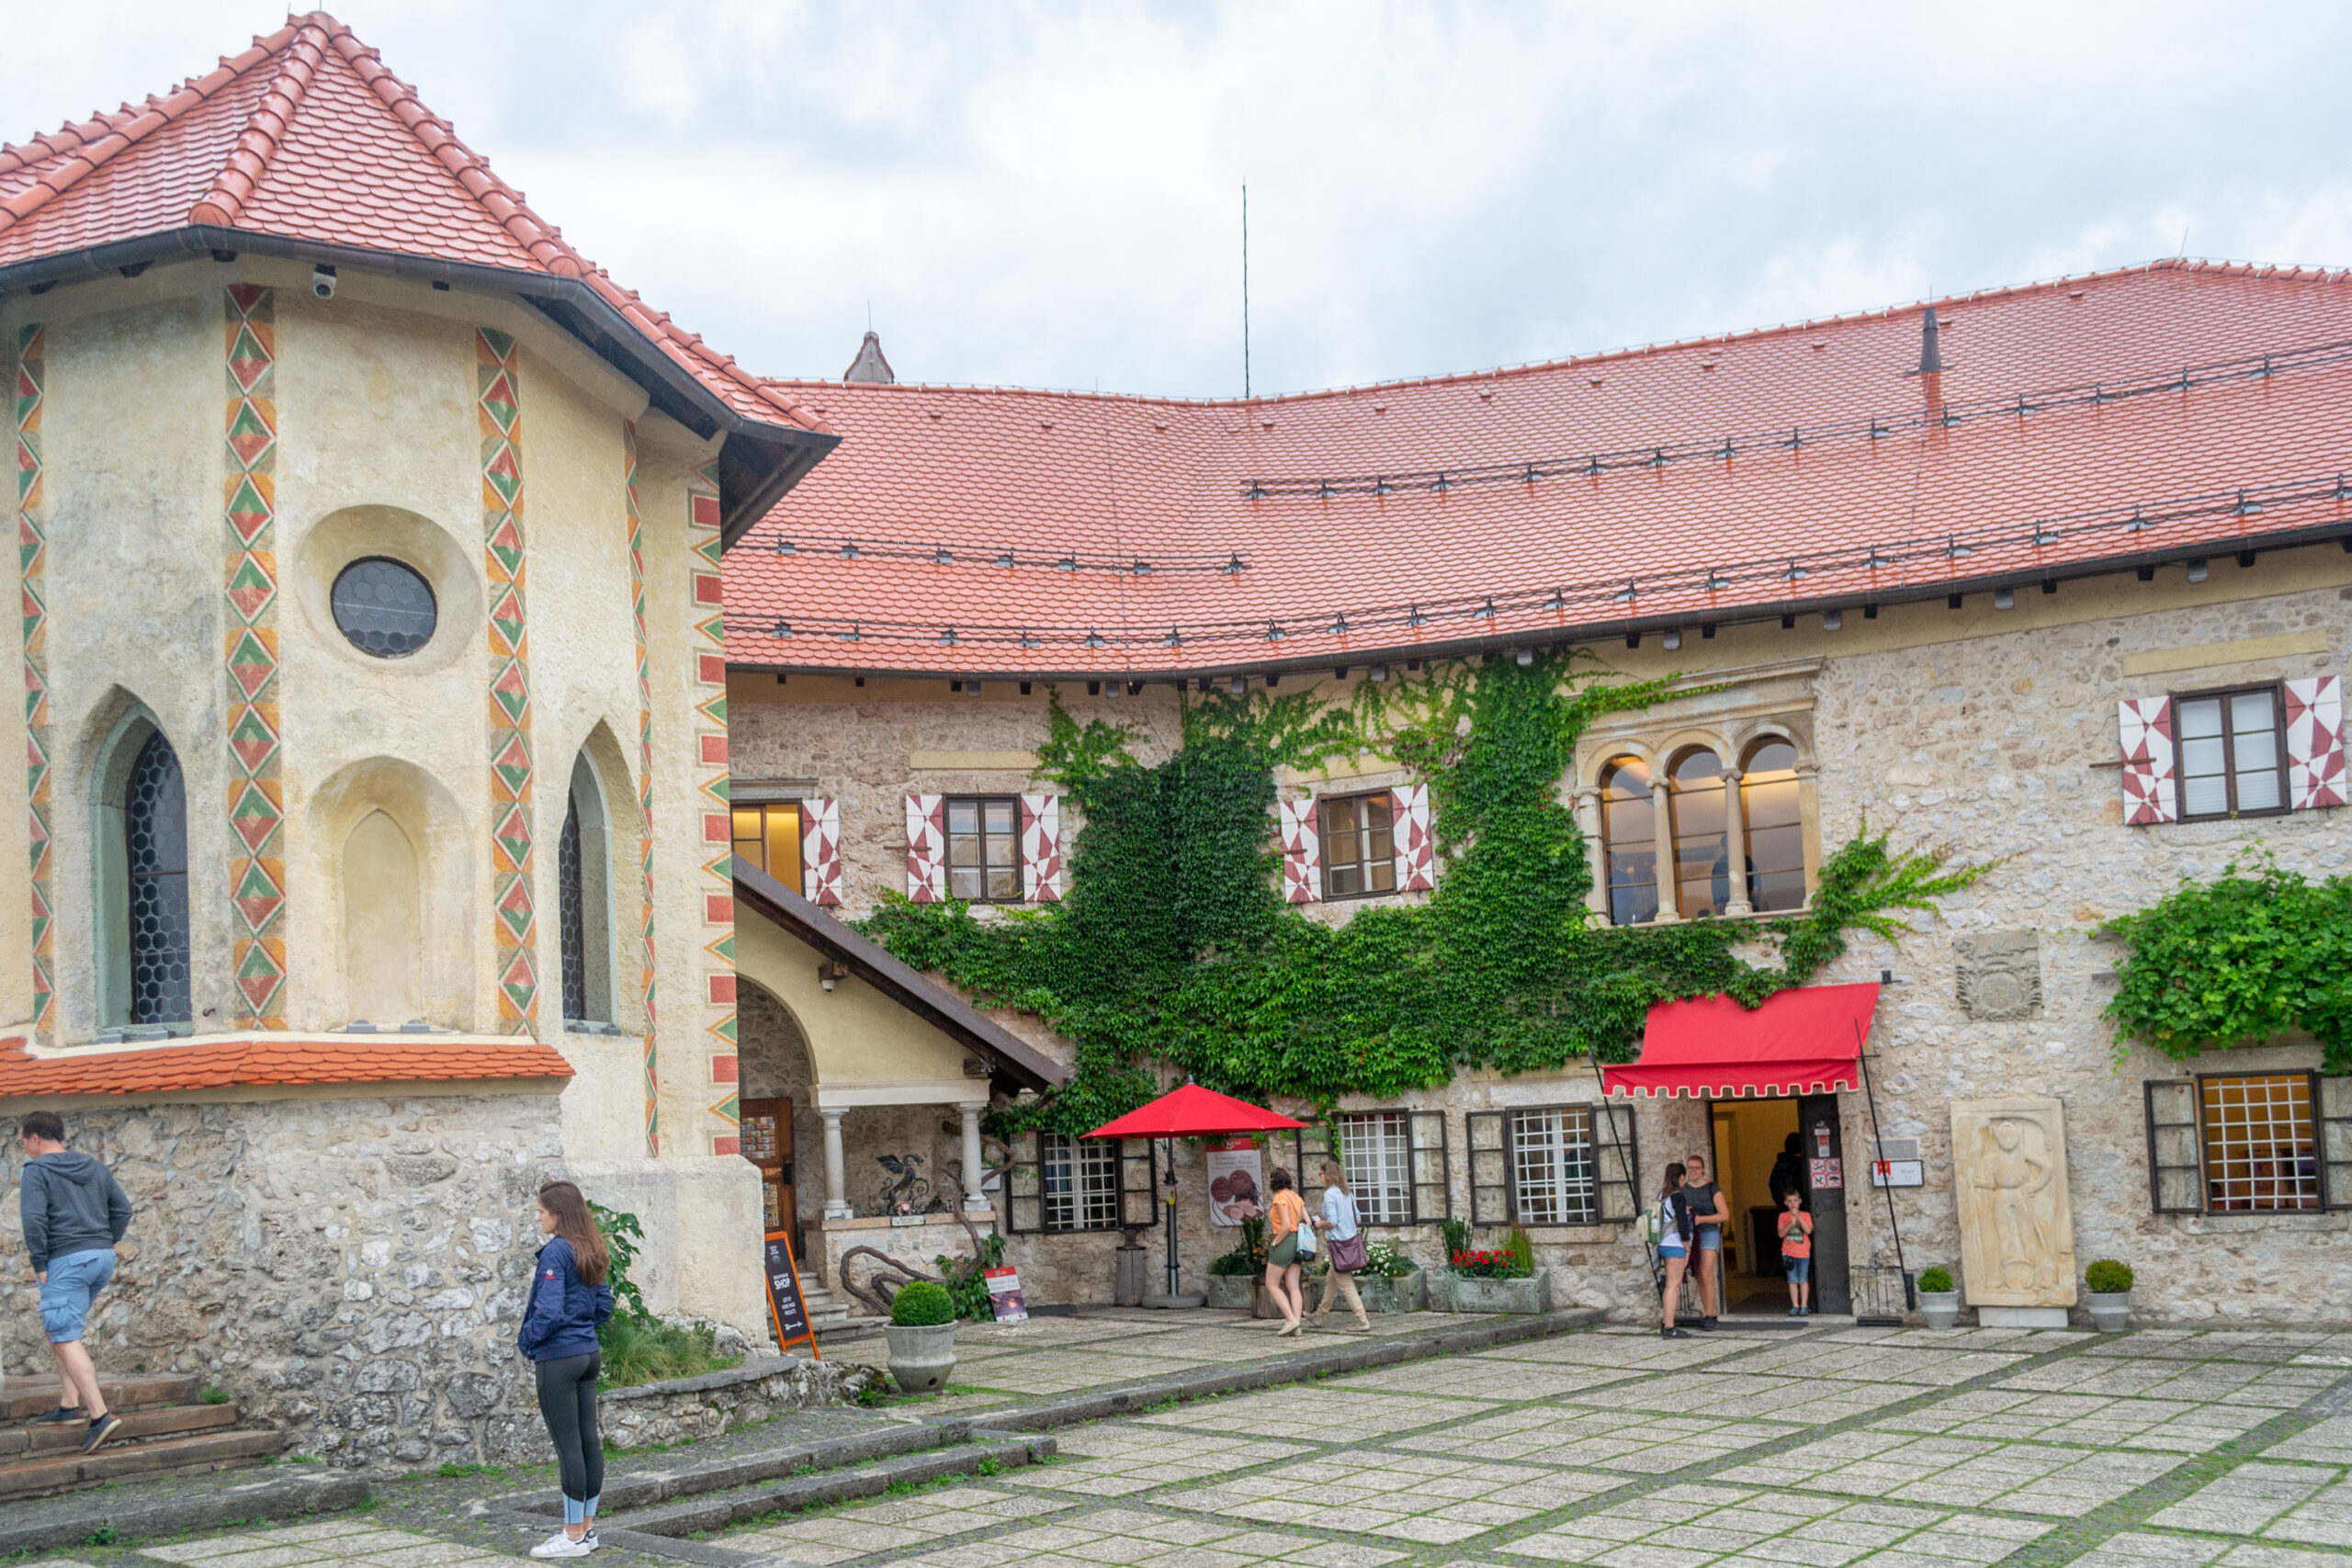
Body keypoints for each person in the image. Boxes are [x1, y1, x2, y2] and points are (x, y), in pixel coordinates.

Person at [17, 1111, 132, 1455]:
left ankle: (99, 1415)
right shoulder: (94, 1166)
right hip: (101, 1258)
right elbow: (123, 1210)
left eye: (22, 1141)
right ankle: (69, 1404)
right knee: (58, 1327)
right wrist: (103, 1242)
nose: (23, 1147)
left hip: (65, 1261)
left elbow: (33, 1219)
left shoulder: (37, 1171)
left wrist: (39, 1262)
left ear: (36, 1138)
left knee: (66, 1337)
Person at [519, 1180, 616, 1558]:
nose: (538, 1217)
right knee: (588, 1441)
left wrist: (528, 1342)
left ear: (558, 1214)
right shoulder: (590, 1247)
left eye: (542, 1211)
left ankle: (573, 1535)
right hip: (588, 1354)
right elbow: (603, 1306)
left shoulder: (557, 1251)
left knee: (569, 1446)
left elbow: (548, 1310)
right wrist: (581, 1328)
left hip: (559, 1358)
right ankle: (587, 1531)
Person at [1306, 1159, 1371, 1332]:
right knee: (1331, 1281)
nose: (1319, 1177)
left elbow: (1333, 1222)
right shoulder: (1347, 1192)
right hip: (1350, 1242)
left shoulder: (1329, 1194)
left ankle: (1362, 1320)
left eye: (1321, 1174)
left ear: (1328, 1175)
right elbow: (1358, 1219)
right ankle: (1319, 1316)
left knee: (1346, 1284)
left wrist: (1320, 1223)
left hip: (1338, 1245)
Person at [1680, 1151, 1729, 1330]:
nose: (1693, 1171)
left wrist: (1701, 1219)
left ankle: (1710, 1315)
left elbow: (1724, 1215)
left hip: (1709, 1234)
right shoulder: (1683, 1190)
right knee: (1698, 1276)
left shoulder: (1711, 1188)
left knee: (1706, 1274)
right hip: (1691, 1237)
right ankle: (1708, 1313)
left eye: (1697, 1168)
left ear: (1703, 1170)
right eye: (1690, 1168)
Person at [1262, 1167, 1309, 1337]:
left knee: (1271, 1284)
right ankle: (1297, 1326)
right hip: (1299, 1242)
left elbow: (1286, 1225)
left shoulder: (1280, 1197)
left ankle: (1290, 1319)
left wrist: (1275, 1243)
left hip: (1285, 1241)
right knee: (1293, 1286)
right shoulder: (1297, 1198)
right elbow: (1308, 1221)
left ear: (1274, 1182)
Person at [1657, 1161, 1694, 1339]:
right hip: (1675, 1244)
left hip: (1663, 1243)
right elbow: (1683, 1225)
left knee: (1669, 1286)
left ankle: (1666, 1323)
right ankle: (1669, 1327)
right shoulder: (1679, 1197)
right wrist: (1687, 1247)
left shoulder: (1662, 1196)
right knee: (1673, 1286)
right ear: (1681, 1177)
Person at [1777, 1188, 1814, 1316]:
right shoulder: (1783, 1216)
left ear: (1800, 1201)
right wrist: (1790, 1223)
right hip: (1788, 1253)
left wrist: (1798, 1216)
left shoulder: (1806, 1215)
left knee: (1803, 1279)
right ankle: (1795, 1305)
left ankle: (1804, 1305)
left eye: (1795, 1200)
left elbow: (1808, 1230)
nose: (1793, 1203)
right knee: (1792, 1280)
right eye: (1790, 1201)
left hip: (1803, 1252)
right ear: (1786, 1203)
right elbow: (1781, 1234)